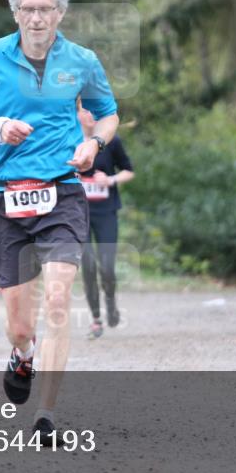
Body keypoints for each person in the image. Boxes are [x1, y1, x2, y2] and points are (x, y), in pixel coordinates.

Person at [0, 0, 119, 438]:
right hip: (7, 199)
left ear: (61, 12)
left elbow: (108, 115)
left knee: (60, 299)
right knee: (21, 325)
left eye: (46, 9)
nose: (37, 18)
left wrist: (94, 145)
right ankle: (22, 355)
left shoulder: (82, 61)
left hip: (63, 192)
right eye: (28, 9)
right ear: (15, 13)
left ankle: (45, 413)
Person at [76, 105, 134, 339]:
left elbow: (129, 171)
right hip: (78, 214)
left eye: (93, 110)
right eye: (85, 110)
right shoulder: (68, 140)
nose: (90, 114)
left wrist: (109, 179)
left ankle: (111, 303)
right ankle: (96, 319)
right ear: (78, 115)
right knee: (88, 266)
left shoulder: (111, 142)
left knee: (107, 268)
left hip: (106, 212)